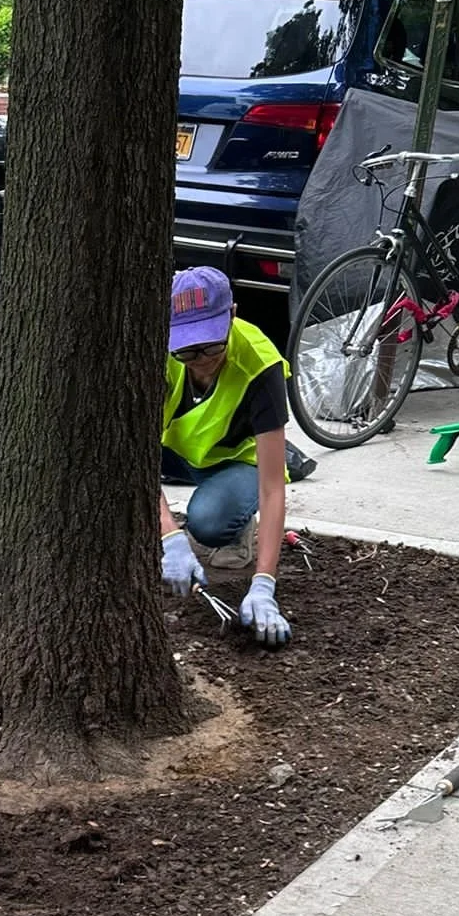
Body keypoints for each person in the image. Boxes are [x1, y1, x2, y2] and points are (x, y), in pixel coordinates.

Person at [157, 266, 314, 650]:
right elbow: (130, 463)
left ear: (232, 314)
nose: (201, 359)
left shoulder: (260, 365)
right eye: (187, 349)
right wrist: (170, 535)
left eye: (212, 346)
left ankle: (238, 525)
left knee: (209, 522)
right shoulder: (158, 354)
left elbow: (272, 489)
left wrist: (264, 584)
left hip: (235, 462)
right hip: (174, 451)